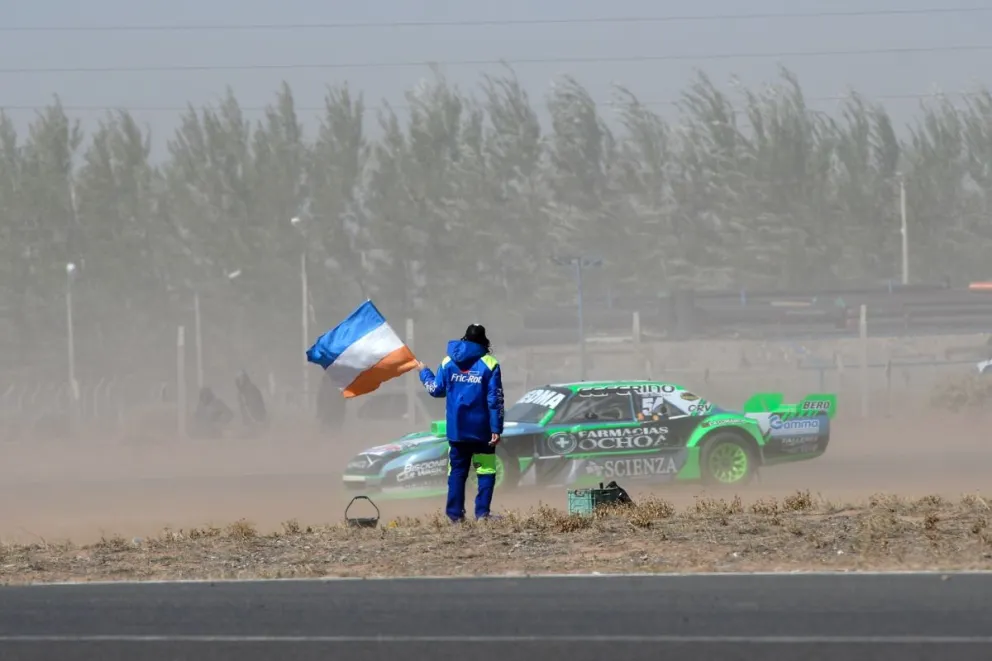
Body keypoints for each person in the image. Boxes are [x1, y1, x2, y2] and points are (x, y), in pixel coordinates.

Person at [417, 323, 504, 522]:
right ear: (484, 341)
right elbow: (495, 399)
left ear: (464, 338)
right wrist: (496, 427)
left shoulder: (448, 362)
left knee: (457, 472)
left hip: (457, 431)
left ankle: (455, 516)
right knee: (486, 470)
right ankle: (482, 514)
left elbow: (435, 390)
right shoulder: (490, 363)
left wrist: (424, 372)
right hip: (482, 430)